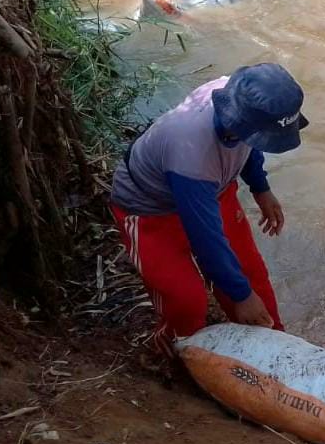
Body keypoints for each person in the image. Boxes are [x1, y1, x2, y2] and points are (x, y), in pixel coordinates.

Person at [110, 64, 308, 344]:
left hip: (212, 189)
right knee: (187, 304)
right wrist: (241, 296)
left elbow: (250, 145)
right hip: (148, 210)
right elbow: (206, 240)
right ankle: (172, 351)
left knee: (253, 278)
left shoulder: (239, 96)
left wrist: (260, 188)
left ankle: (277, 346)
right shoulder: (191, 153)